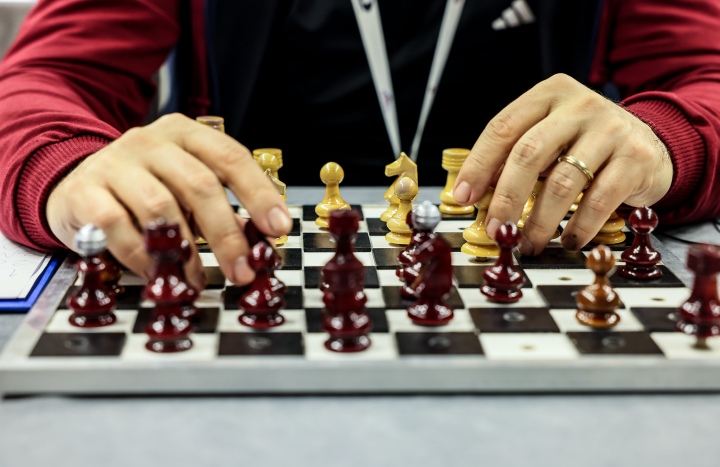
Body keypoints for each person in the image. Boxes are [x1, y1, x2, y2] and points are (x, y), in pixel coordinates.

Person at [0, 0, 718, 289]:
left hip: (533, 247)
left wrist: (665, 140)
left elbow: (707, 78)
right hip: (257, 254)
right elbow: (41, 80)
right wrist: (61, 168)